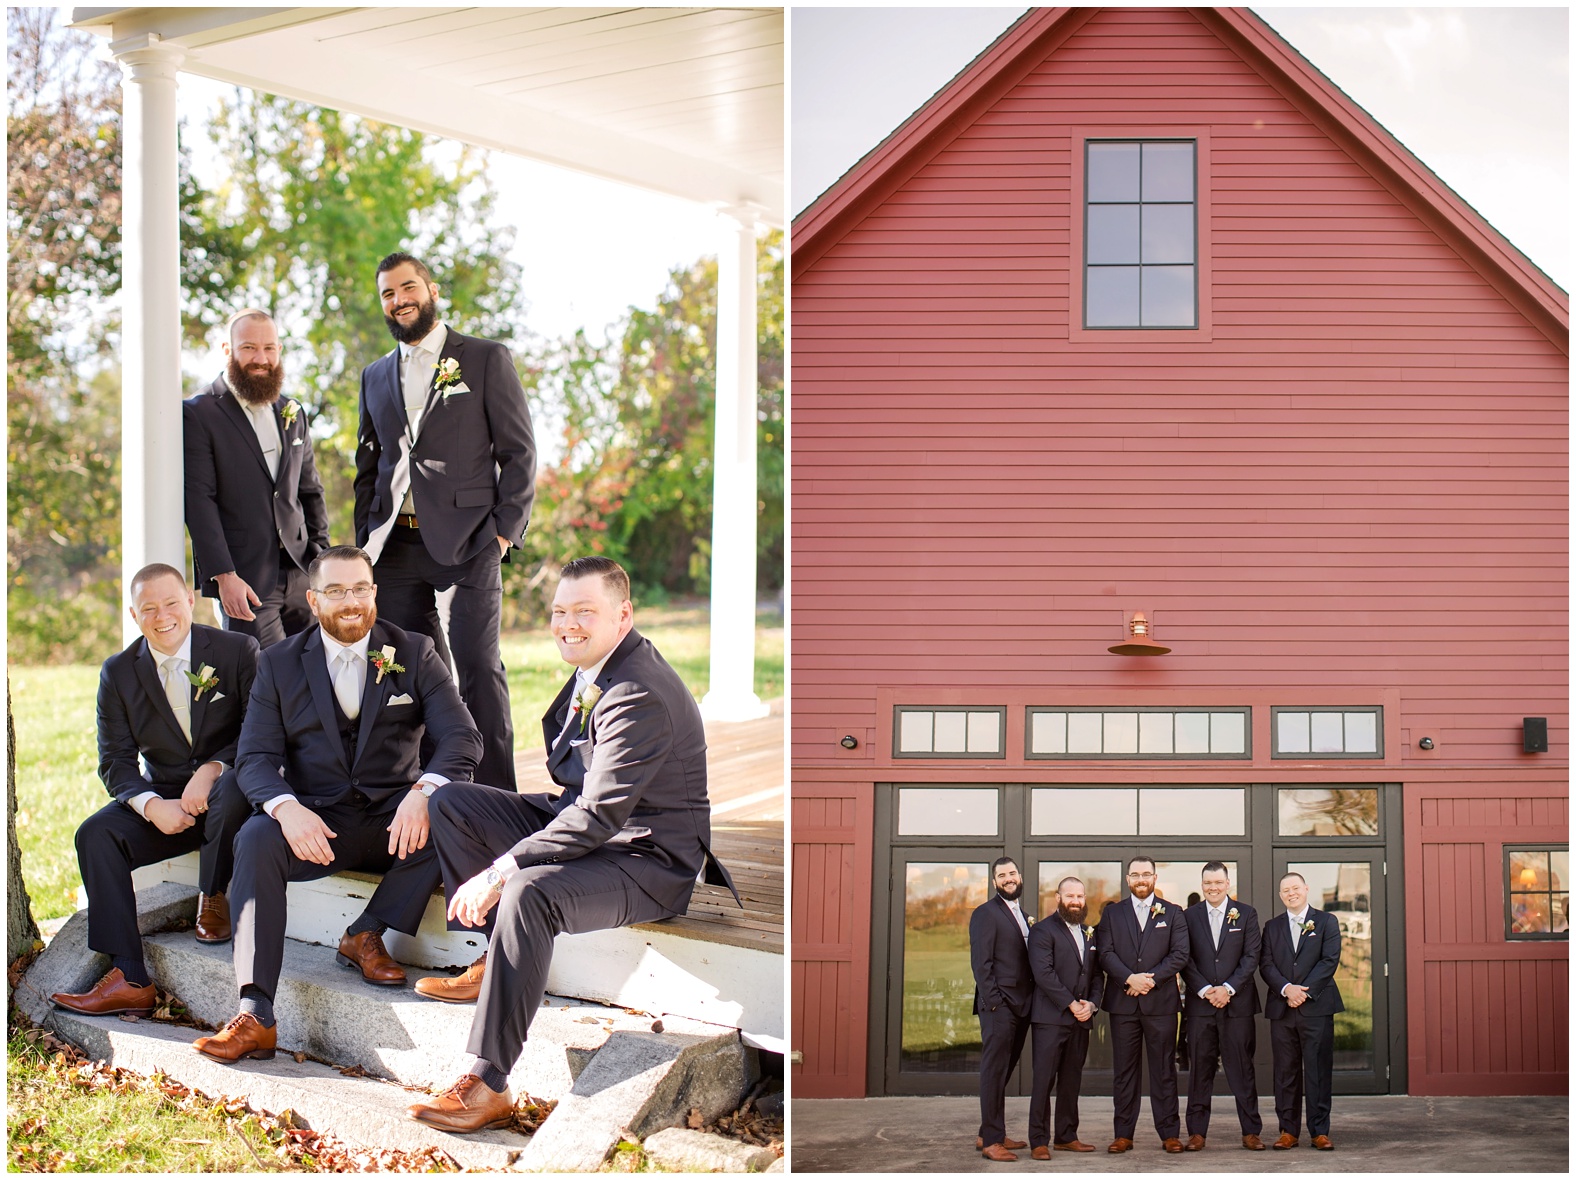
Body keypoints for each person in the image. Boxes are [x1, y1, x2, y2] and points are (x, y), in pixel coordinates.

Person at [406, 557, 738, 1132]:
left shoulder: (639, 690)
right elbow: (574, 783)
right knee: (452, 802)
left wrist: (502, 868)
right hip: (587, 821)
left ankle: (489, 1081)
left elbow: (600, 814)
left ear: (623, 615)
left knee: (528, 889)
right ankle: (497, 962)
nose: (567, 624)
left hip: (646, 856)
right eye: (560, 611)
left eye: (585, 611)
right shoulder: (599, 664)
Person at [193, 546, 482, 1063]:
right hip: (318, 825)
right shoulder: (280, 663)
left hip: (397, 822)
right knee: (256, 835)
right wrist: (286, 808)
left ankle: (366, 932)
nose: (350, 601)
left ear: (374, 591)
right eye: (335, 590)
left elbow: (462, 739)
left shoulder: (414, 651)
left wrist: (422, 793)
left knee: (452, 808)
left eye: (360, 588)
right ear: (313, 598)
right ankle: (255, 1012)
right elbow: (254, 756)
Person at [352, 251, 535, 791]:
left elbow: (519, 452)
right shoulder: (375, 375)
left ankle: (497, 797)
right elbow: (370, 462)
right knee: (412, 675)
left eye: (408, 287)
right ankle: (434, 791)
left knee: (477, 670)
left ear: (432, 291)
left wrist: (504, 532)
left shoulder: (482, 358)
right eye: (387, 293)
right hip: (395, 549)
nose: (399, 299)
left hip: (469, 542)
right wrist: (367, 536)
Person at [51, 564, 257, 1016]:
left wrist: (213, 767)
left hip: (231, 794)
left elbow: (260, 731)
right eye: (148, 609)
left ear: (189, 600)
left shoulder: (238, 649)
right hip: (168, 802)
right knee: (95, 833)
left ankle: (213, 895)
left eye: (170, 603)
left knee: (235, 788)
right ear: (133, 614)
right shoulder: (119, 672)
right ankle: (130, 976)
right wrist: (151, 806)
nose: (162, 616)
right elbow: (115, 762)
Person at [184, 308, 330, 647]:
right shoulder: (198, 413)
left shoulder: (292, 411)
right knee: (264, 680)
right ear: (227, 351)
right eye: (249, 347)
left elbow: (310, 490)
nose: (261, 358)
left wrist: (321, 560)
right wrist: (224, 576)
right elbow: (199, 500)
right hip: (244, 578)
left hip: (301, 571)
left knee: (312, 673)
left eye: (269, 348)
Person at [1097, 854, 1190, 1154]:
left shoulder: (1173, 913)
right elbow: (1105, 953)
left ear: (1154, 878)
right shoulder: (1112, 915)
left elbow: (1179, 954)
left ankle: (1170, 1134)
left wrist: (1149, 980)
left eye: (1146, 874)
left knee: (1164, 1070)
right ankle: (1123, 1134)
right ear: (1127, 879)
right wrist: (1129, 979)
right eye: (1135, 875)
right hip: (1124, 1004)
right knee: (1125, 1071)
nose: (1140, 879)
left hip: (1161, 1004)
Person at [1181, 862, 1265, 1151]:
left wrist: (1227, 989)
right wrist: (1206, 990)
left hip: (1237, 1005)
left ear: (1228, 883)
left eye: (1218, 882)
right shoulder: (1188, 916)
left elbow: (1251, 956)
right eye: (1207, 883)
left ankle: (1251, 1131)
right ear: (1202, 884)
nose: (1213, 888)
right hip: (1201, 1006)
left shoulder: (1247, 914)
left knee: (1242, 1070)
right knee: (1199, 1071)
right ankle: (1196, 1133)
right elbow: (1184, 958)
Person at [1260, 871, 1343, 1151]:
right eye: (1285, 890)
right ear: (1281, 895)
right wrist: (1286, 989)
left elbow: (1329, 960)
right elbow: (1266, 964)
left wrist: (1303, 991)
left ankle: (1319, 1131)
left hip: (1316, 1007)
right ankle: (1288, 1130)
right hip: (1283, 1009)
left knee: (1318, 1070)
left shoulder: (1326, 921)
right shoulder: (1272, 927)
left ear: (1306, 889)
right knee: (1285, 1072)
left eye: (1295, 888)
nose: (1291, 893)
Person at [1025, 876, 1103, 1159]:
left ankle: (1066, 1136)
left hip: (1081, 1019)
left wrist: (1092, 1004)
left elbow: (1096, 975)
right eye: (1070, 896)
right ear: (1058, 898)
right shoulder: (1043, 932)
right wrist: (1071, 1003)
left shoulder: (1088, 933)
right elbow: (1043, 974)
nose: (1075, 901)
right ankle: (1038, 1140)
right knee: (1044, 1080)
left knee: (1072, 1079)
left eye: (1080, 897)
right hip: (1050, 1018)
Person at [967, 856, 1034, 1162]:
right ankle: (993, 1141)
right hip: (999, 1006)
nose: (1009, 878)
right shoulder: (985, 913)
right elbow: (981, 963)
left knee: (1003, 1071)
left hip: (1022, 1006)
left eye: (1012, 873)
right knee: (994, 1071)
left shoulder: (1023, 914)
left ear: (1020, 877)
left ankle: (988, 1131)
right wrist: (994, 1003)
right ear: (994, 882)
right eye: (1002, 875)